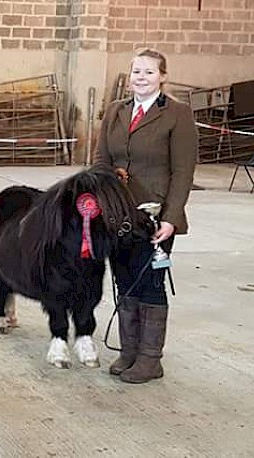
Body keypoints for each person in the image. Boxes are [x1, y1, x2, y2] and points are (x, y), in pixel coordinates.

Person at [95, 48, 197, 383]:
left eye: (149, 72)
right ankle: (129, 351)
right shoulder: (115, 111)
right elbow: (101, 161)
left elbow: (183, 171)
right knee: (123, 278)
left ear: (162, 76)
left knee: (150, 282)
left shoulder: (177, 114)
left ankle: (151, 359)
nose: (141, 78)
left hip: (154, 216)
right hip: (118, 214)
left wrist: (171, 216)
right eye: (136, 72)